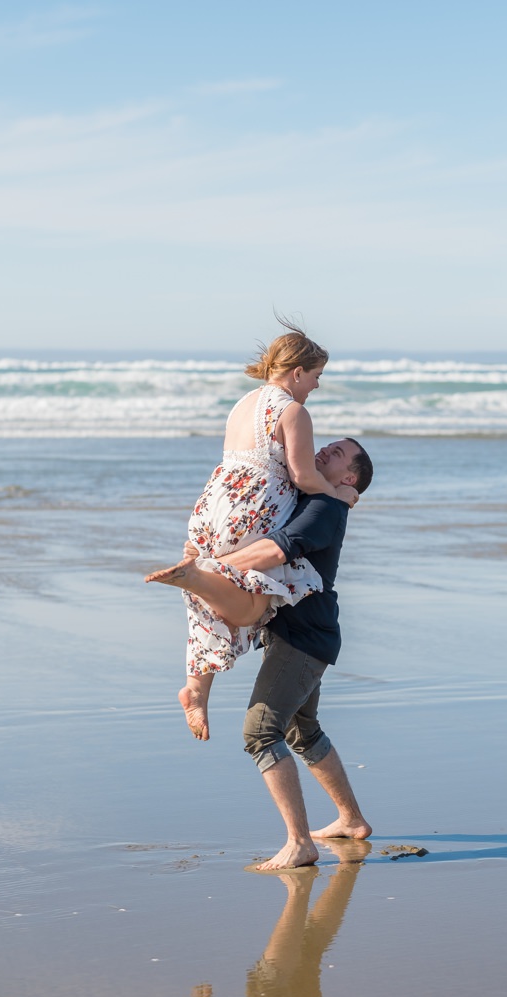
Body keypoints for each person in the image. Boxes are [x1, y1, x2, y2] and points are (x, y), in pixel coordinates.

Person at [153, 439, 375, 871]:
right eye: (328, 445)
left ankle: (299, 844)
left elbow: (276, 550)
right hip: (302, 634)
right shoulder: (312, 496)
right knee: (302, 730)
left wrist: (210, 570)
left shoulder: (326, 509)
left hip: (305, 640)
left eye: (337, 454)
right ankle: (352, 820)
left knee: (260, 732)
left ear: (349, 478)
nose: (325, 449)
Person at [147, 326, 357, 741]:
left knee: (207, 594)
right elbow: (301, 474)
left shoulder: (244, 403)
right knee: (252, 605)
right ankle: (192, 587)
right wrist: (337, 494)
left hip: (213, 505)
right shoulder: (292, 411)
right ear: (297, 372)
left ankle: (196, 690)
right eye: (316, 376)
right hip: (252, 507)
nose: (316, 385)